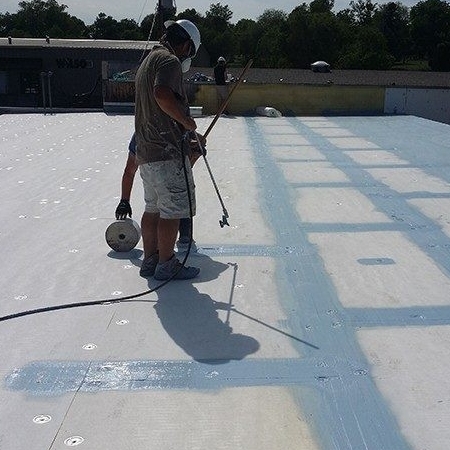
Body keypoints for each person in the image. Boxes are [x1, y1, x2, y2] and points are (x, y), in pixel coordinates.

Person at [134, 19, 204, 280]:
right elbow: (162, 94)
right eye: (190, 51)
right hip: (166, 151)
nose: (187, 56)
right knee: (172, 210)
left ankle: (150, 260)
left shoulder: (148, 61)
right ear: (186, 44)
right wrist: (186, 121)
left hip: (146, 151)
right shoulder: (169, 61)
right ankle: (166, 264)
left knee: (152, 208)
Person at [114, 133, 195, 255]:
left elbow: (130, 171)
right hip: (164, 170)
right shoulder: (172, 129)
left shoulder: (141, 133)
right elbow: (130, 171)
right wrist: (124, 201)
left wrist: (124, 200)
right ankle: (165, 260)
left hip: (157, 170)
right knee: (170, 209)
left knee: (154, 208)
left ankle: (152, 257)